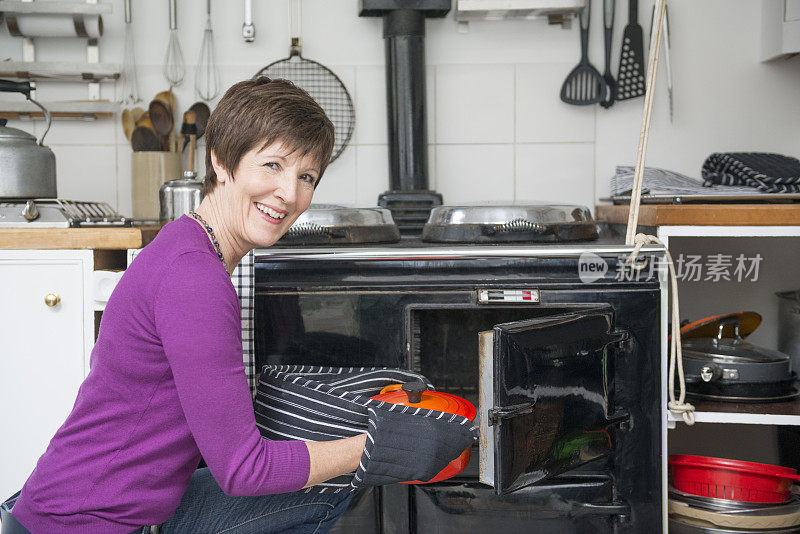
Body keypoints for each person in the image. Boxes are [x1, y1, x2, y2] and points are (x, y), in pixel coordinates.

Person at [2, 78, 474, 534]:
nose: (290, 194)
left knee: (320, 472)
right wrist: (382, 445)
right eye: (272, 166)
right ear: (222, 162)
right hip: (85, 524)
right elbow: (242, 470)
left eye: (306, 176)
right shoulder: (195, 279)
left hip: (97, 508)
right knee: (327, 480)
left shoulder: (188, 246)